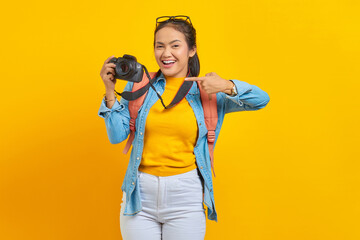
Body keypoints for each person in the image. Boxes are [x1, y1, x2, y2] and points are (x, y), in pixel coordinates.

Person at [98, 15, 270, 240]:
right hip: (139, 194)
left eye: (175, 45)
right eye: (159, 46)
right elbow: (116, 135)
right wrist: (110, 91)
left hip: (185, 197)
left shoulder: (208, 90)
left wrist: (227, 86)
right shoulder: (139, 85)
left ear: (191, 50)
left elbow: (261, 99)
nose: (166, 54)